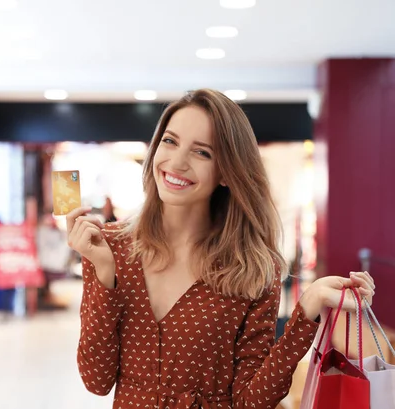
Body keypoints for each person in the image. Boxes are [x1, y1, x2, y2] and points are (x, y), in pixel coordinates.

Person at [65, 89, 375, 409]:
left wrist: (308, 308)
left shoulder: (253, 268)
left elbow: (250, 401)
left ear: (227, 171)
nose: (177, 162)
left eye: (202, 153)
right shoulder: (109, 247)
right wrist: (105, 275)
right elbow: (96, 380)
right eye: (170, 141)